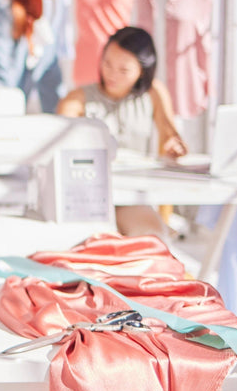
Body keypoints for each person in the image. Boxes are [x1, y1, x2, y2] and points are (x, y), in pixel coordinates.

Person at [57, 26, 187, 237]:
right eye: (107, 63)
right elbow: (60, 141)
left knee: (152, 238)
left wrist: (174, 147)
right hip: (87, 198)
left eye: (124, 70)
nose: (112, 74)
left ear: (142, 71)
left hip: (131, 197)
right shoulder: (77, 98)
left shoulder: (154, 93)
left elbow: (170, 135)